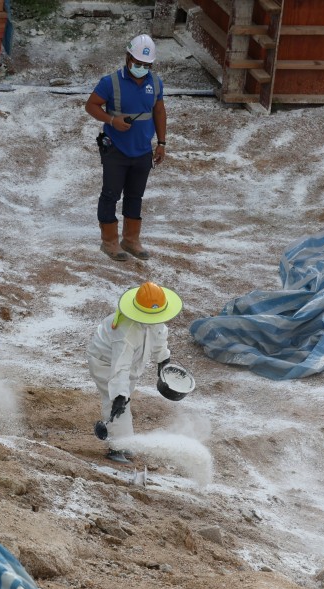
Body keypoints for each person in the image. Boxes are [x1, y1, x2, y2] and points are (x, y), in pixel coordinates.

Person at [84, 34, 167, 262]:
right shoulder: (110, 82)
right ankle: (109, 241)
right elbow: (91, 105)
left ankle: (130, 240)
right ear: (128, 57)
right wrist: (112, 121)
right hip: (116, 150)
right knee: (110, 195)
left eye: (146, 65)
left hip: (142, 151)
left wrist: (161, 143)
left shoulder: (155, 83)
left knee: (135, 196)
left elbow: (159, 111)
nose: (142, 68)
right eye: (138, 63)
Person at [87, 281, 182, 463]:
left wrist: (163, 359)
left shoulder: (155, 318)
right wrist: (120, 396)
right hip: (105, 362)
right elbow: (119, 368)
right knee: (115, 400)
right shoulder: (126, 331)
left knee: (122, 396)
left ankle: (123, 441)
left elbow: (159, 334)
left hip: (129, 362)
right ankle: (118, 447)